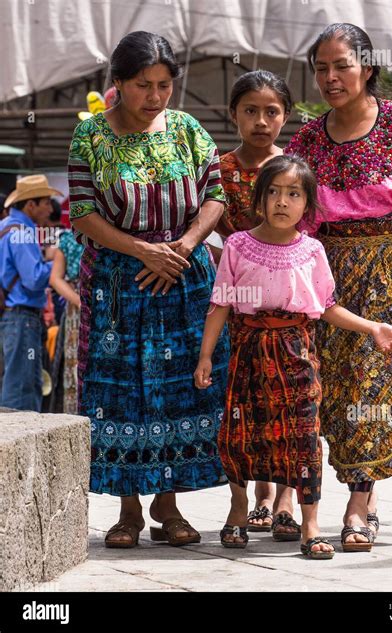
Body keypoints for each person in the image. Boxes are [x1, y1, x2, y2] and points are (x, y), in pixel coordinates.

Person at [285, 23, 392, 550]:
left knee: (376, 383)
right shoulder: (307, 140)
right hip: (329, 273)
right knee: (335, 390)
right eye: (321, 68)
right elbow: (289, 210)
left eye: (342, 66)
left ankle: (358, 506)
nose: (331, 78)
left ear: (368, 68)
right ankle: (365, 491)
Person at [194, 155, 392, 557]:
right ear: (259, 201)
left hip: (297, 353)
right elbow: (220, 304)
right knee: (241, 434)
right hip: (248, 351)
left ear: (307, 206)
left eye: (293, 194)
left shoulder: (312, 251)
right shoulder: (238, 245)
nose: (282, 201)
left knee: (304, 437)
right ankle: (239, 510)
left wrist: (372, 328)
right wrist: (206, 356)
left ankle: (310, 524)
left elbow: (327, 307)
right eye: (273, 192)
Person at [68, 31, 230, 548]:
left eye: (164, 85)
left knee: (181, 392)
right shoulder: (91, 135)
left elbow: (215, 196)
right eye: (144, 85)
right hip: (119, 285)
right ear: (117, 83)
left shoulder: (187, 129)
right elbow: (81, 212)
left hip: (182, 278)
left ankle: (170, 506)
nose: (156, 96)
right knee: (123, 394)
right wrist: (143, 251)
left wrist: (179, 248)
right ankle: (128, 512)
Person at [215, 70, 301, 539]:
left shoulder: (295, 170)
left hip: (289, 307)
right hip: (239, 308)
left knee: (289, 403)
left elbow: (311, 233)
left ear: (285, 115)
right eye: (251, 110)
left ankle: (285, 497)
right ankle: (248, 499)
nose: (262, 120)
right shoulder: (220, 169)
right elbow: (209, 228)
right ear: (234, 114)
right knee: (245, 406)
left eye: (272, 111)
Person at [0, 175, 61, 411]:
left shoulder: (5, 227)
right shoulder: (22, 232)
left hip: (11, 316)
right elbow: (34, 279)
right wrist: (55, 262)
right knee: (23, 388)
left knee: (17, 380)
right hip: (22, 317)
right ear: (30, 205)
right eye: (46, 202)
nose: (50, 207)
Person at [49, 229, 84, 413]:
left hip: (77, 307)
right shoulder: (68, 239)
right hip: (81, 308)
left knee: (76, 363)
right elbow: (55, 278)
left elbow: (55, 278)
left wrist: (77, 300)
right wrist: (79, 300)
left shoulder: (68, 239)